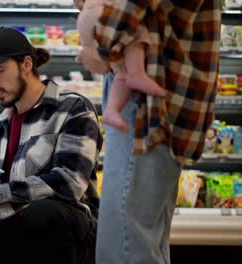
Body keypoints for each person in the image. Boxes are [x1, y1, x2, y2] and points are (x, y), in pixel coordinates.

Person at [0, 27, 102, 264]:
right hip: (13, 230)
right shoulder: (0, 123)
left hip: (67, 231)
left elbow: (69, 184)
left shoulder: (73, 108)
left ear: (26, 65)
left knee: (44, 212)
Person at [75, 1, 220, 263]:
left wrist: (96, 39)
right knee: (144, 241)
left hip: (148, 103)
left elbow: (123, 11)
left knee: (125, 245)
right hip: (161, 95)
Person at [74, 0, 166, 132]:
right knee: (136, 33)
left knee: (120, 72)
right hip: (102, 14)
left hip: (90, 18)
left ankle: (112, 110)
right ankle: (137, 74)